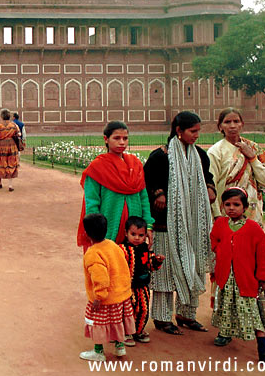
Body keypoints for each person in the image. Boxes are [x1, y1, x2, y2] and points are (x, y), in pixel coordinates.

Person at [143, 111, 216, 335]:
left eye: (198, 131)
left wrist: (210, 189)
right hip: (165, 225)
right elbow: (146, 182)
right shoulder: (159, 157)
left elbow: (207, 177)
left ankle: (187, 314)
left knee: (191, 267)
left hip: (193, 224)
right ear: (179, 131)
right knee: (165, 272)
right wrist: (158, 193)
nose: (196, 135)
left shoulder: (200, 156)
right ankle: (162, 318)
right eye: (192, 131)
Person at [210, 187, 265, 369]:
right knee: (226, 306)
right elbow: (214, 240)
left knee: (252, 314)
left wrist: (262, 278)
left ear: (245, 207)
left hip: (245, 281)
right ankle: (225, 333)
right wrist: (220, 250)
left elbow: (263, 255)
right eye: (228, 204)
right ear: (223, 206)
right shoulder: (220, 224)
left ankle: (264, 351)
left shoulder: (254, 229)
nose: (232, 208)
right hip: (226, 278)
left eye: (236, 204)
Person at [77, 121, 153, 252]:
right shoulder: (97, 167)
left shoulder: (135, 164)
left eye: (125, 138)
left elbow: (143, 197)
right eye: (117, 138)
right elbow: (92, 203)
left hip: (133, 232)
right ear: (106, 139)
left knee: (133, 267)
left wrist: (148, 225)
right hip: (108, 231)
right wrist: (96, 233)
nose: (122, 142)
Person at [80, 213, 136, 362]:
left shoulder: (92, 253)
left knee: (98, 322)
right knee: (117, 321)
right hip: (120, 295)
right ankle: (119, 347)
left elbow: (100, 278)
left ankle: (98, 352)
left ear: (87, 233)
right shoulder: (113, 245)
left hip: (104, 298)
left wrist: (98, 297)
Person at [208, 108, 265, 226]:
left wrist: (253, 158)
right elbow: (211, 186)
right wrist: (217, 215)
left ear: (242, 124)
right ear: (220, 127)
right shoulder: (215, 152)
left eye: (236, 121)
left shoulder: (253, 148)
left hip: (251, 211)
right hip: (226, 212)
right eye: (227, 122)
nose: (232, 126)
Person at [120, 216, 165, 345]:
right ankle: (126, 333)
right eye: (133, 234)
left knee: (143, 309)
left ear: (146, 235)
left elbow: (150, 266)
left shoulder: (145, 249)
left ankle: (138, 331)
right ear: (126, 233)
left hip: (143, 286)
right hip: (128, 288)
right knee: (129, 310)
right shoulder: (122, 249)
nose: (137, 238)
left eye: (140, 235)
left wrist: (157, 260)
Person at [0, 108, 20, 191]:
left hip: (1, 145)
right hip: (11, 145)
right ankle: (10, 185)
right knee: (11, 162)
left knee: (0, 162)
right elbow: (19, 133)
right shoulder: (13, 125)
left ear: (1, 116)